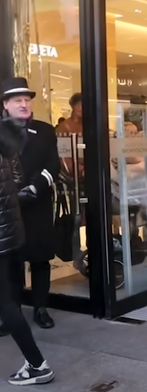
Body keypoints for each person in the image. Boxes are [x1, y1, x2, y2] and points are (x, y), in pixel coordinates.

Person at [0, 77, 60, 330]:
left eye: (27, 100)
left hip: (37, 205)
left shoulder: (45, 130)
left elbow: (52, 165)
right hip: (8, 209)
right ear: (5, 104)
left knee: (39, 260)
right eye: (18, 100)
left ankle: (40, 308)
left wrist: (35, 187)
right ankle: (11, 315)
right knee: (11, 263)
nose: (24, 104)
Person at [0, 113, 55, 385]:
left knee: (7, 303)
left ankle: (37, 364)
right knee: (8, 299)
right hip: (8, 231)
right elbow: (17, 177)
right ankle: (36, 364)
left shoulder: (37, 133)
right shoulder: (7, 142)